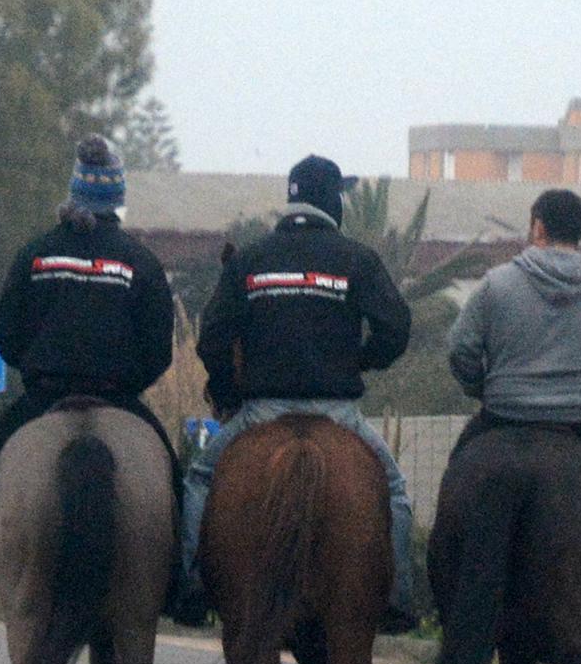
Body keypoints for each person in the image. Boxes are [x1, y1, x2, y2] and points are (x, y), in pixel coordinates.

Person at [174, 153, 417, 633]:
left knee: (200, 480)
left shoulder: (249, 259)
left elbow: (213, 337)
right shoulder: (356, 259)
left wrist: (229, 389)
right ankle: (398, 596)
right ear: (332, 203)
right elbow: (396, 326)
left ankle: (192, 585)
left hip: (263, 412)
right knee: (394, 493)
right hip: (338, 413)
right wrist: (362, 360)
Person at [0, 134, 179, 605]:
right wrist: (128, 384)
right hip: (118, 397)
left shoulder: (36, 254)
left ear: (73, 194)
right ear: (118, 201)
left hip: (44, 398)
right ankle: (179, 580)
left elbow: (5, 331)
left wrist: (35, 367)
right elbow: (159, 352)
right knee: (171, 472)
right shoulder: (141, 263)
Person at [447, 188, 581, 611]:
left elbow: (461, 351)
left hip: (505, 415)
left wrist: (482, 386)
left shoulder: (497, 284)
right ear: (578, 232)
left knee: (459, 470)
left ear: (539, 227)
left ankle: (446, 576)